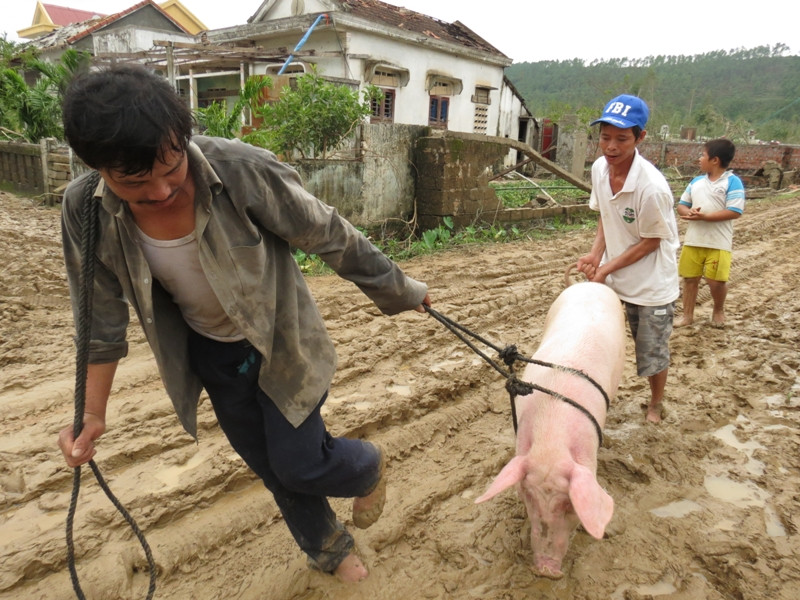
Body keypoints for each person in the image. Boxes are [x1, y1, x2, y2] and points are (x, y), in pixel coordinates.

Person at [57, 64, 431, 583]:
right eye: (135, 181)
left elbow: (329, 234)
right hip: (212, 354)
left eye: (171, 169)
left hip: (285, 343)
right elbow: (97, 317)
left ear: (181, 138)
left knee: (299, 462)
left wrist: (400, 290)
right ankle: (329, 548)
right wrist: (90, 414)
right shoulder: (85, 212)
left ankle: (365, 466)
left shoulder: (240, 169)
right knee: (271, 468)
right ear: (96, 167)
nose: (162, 191)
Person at [575, 94, 680, 424]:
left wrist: (605, 268)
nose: (611, 146)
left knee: (651, 352)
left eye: (622, 138)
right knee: (600, 340)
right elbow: (607, 215)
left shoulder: (651, 188)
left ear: (640, 138)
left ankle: (655, 402)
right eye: (605, 137)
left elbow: (651, 242)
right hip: (614, 277)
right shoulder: (599, 170)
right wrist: (595, 253)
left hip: (650, 285)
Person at [674, 138, 745, 328]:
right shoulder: (696, 182)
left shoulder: (732, 182)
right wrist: (688, 213)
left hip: (718, 242)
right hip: (693, 240)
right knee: (690, 279)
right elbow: (682, 205)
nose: (699, 159)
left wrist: (704, 217)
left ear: (715, 160)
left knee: (716, 282)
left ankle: (718, 310)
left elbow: (734, 211)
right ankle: (687, 315)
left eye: (703, 155)